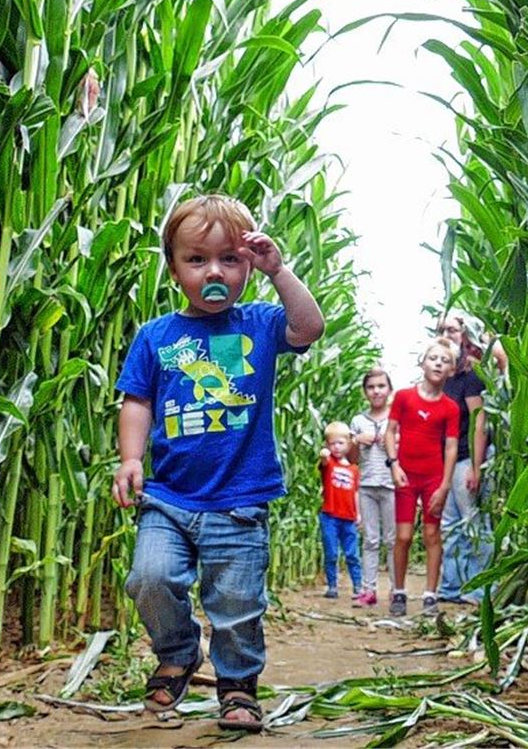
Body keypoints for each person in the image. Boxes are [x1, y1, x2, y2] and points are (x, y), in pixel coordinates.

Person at [111, 195, 324, 732]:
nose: (215, 272)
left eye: (231, 259)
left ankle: (237, 686)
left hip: (240, 500)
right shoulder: (156, 336)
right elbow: (136, 401)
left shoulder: (258, 323)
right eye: (197, 260)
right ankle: (180, 651)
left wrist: (281, 272)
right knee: (149, 576)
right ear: (174, 267)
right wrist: (131, 459)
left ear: (249, 265)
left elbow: (309, 328)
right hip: (169, 497)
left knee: (236, 603)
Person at [384, 338, 460, 617]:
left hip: (433, 478)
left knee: (432, 534)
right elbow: (390, 432)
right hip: (406, 475)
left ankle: (430, 594)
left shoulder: (450, 407)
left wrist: (445, 485)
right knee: (403, 536)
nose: (439, 363)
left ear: (452, 370)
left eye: (446, 360)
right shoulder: (404, 397)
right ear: (423, 363)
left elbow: (451, 446)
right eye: (434, 358)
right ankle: (399, 591)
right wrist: (394, 465)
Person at [436, 311, 496, 605]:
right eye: (442, 330)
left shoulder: (471, 376)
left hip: (465, 461)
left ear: (466, 334)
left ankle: (480, 590)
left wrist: (476, 465)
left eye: (453, 330)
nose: (447, 335)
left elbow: (479, 421)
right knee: (451, 527)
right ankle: (452, 588)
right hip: (447, 463)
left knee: (474, 524)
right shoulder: (444, 378)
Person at [350, 369, 396, 607]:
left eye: (381, 386)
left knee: (393, 540)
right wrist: (357, 440)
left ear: (389, 389)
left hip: (392, 485)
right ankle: (368, 590)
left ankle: (396, 589)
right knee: (370, 540)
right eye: (371, 387)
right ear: (365, 391)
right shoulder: (358, 422)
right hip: (366, 485)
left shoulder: (396, 420)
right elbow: (352, 460)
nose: (376, 391)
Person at [318, 421, 362, 599]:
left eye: (340, 443)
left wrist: (359, 514)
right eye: (332, 443)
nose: (336, 447)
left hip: (349, 518)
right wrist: (323, 455)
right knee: (331, 553)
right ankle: (332, 586)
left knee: (352, 554)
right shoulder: (328, 465)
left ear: (348, 444)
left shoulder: (354, 469)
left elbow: (356, 492)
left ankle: (358, 586)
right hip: (330, 516)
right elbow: (323, 460)